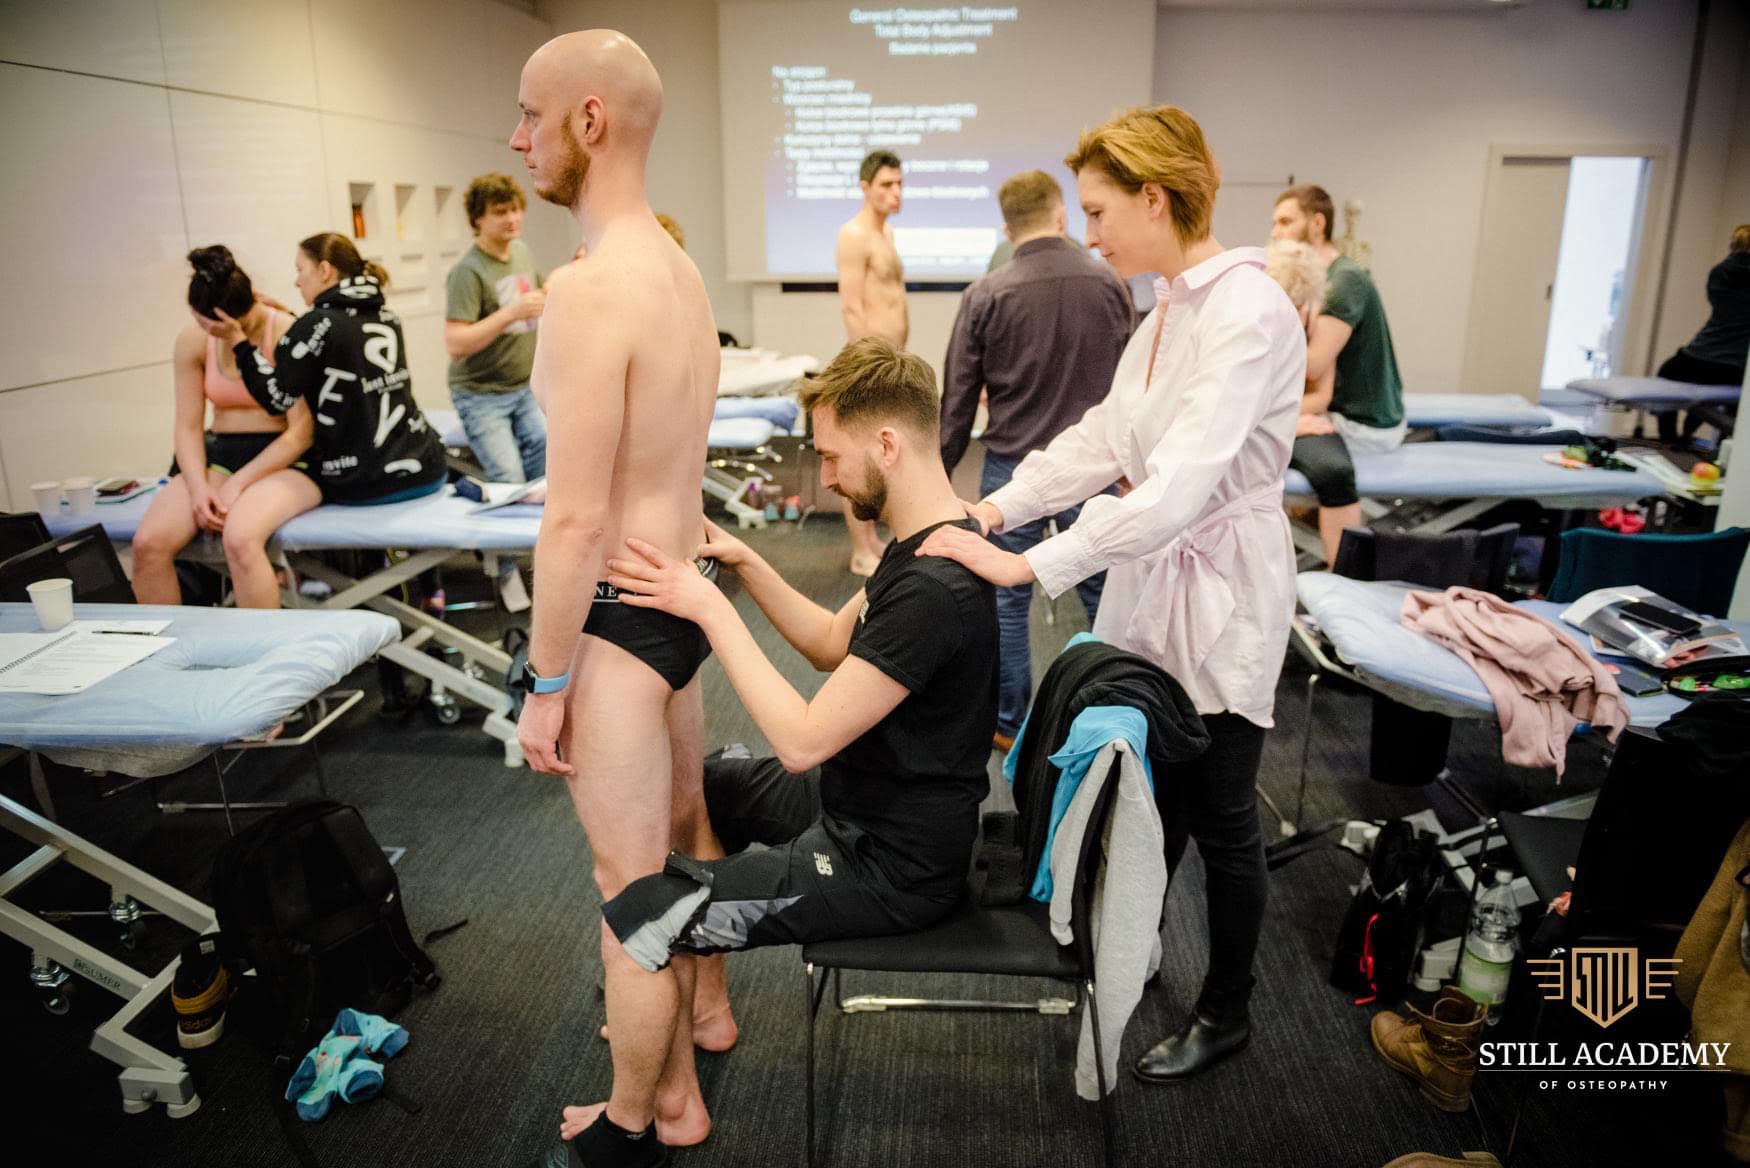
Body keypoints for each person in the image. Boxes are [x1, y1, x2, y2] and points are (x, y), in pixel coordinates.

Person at [918, 105, 1305, 1084]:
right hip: (1155, 574)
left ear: (1154, 197)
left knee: (1223, 813)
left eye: (1098, 211)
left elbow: (1177, 489)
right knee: (1152, 784)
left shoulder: (1248, 310)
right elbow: (1101, 441)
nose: (1088, 234)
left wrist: (1033, 563)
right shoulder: (1165, 310)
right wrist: (995, 510)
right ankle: (1133, 947)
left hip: (1221, 587)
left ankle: (1228, 1010)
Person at [594, 335, 997, 1008]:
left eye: (832, 456)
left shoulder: (934, 589)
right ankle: (705, 1008)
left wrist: (711, 609)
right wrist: (747, 563)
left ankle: (646, 1057)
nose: (827, 477)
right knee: (698, 786)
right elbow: (829, 643)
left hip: (892, 865)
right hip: (859, 798)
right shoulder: (931, 538)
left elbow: (803, 742)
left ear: (887, 445)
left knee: (642, 917)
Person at [507, 30, 722, 1168]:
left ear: (588, 120)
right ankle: (687, 1057)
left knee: (629, 896)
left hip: (618, 626)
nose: (517, 139)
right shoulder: (681, 271)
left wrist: (546, 684)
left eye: (529, 114)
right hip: (676, 606)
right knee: (672, 857)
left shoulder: (588, 290)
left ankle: (644, 1121)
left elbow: (573, 521)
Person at [940, 169, 1134, 749]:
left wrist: (940, 475)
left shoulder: (985, 293)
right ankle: (1114, 715)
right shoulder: (1111, 284)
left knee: (1005, 601)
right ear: (1060, 215)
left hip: (1010, 470)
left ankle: (1009, 724)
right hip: (1095, 468)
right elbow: (1133, 387)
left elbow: (957, 398)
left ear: (1007, 227)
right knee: (1105, 595)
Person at [222, 234, 446, 604]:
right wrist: (297, 325)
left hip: (367, 483)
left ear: (325, 270)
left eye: (300, 270)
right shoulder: (385, 315)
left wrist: (241, 345)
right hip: (425, 469)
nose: (297, 281)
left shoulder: (317, 324)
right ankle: (428, 590)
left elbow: (276, 397)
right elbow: (335, 343)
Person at [132, 246, 310, 606]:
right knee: (148, 544)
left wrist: (239, 484)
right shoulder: (194, 341)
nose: (210, 333)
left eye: (217, 328)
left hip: (285, 458)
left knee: (240, 540)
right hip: (223, 454)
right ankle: (167, 641)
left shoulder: (287, 333)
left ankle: (261, 642)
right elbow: (187, 427)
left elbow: (301, 433)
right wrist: (199, 489)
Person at [1270, 184, 1405, 566]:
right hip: (1336, 410)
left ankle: (1342, 583)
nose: (1276, 233)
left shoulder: (1342, 282)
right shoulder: (1316, 285)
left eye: (1285, 222)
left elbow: (1314, 369)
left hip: (1358, 424)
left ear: (1317, 224)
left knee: (1331, 472)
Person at [444, 172, 547, 484]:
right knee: (508, 478)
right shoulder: (468, 271)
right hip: (482, 395)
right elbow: (456, 344)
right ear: (478, 219)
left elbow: (541, 295)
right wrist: (511, 313)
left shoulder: (521, 251)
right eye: (500, 212)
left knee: (547, 461)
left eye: (515, 209)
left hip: (524, 388)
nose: (512, 219)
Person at [836, 149, 907, 576]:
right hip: (870, 363)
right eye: (886, 185)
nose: (896, 192)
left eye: (899, 184)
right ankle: (861, 550)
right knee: (859, 457)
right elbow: (852, 306)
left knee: (880, 455)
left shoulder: (887, 234)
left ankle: (871, 541)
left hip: (890, 359)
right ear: (865, 188)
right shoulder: (854, 235)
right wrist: (867, 365)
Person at [1653, 223, 1749, 443]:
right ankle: (1710, 441)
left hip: (1701, 357)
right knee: (1729, 403)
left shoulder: (1721, 273)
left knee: (1667, 371)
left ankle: (1668, 438)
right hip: (1737, 368)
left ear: (1734, 245)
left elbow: (1715, 299)